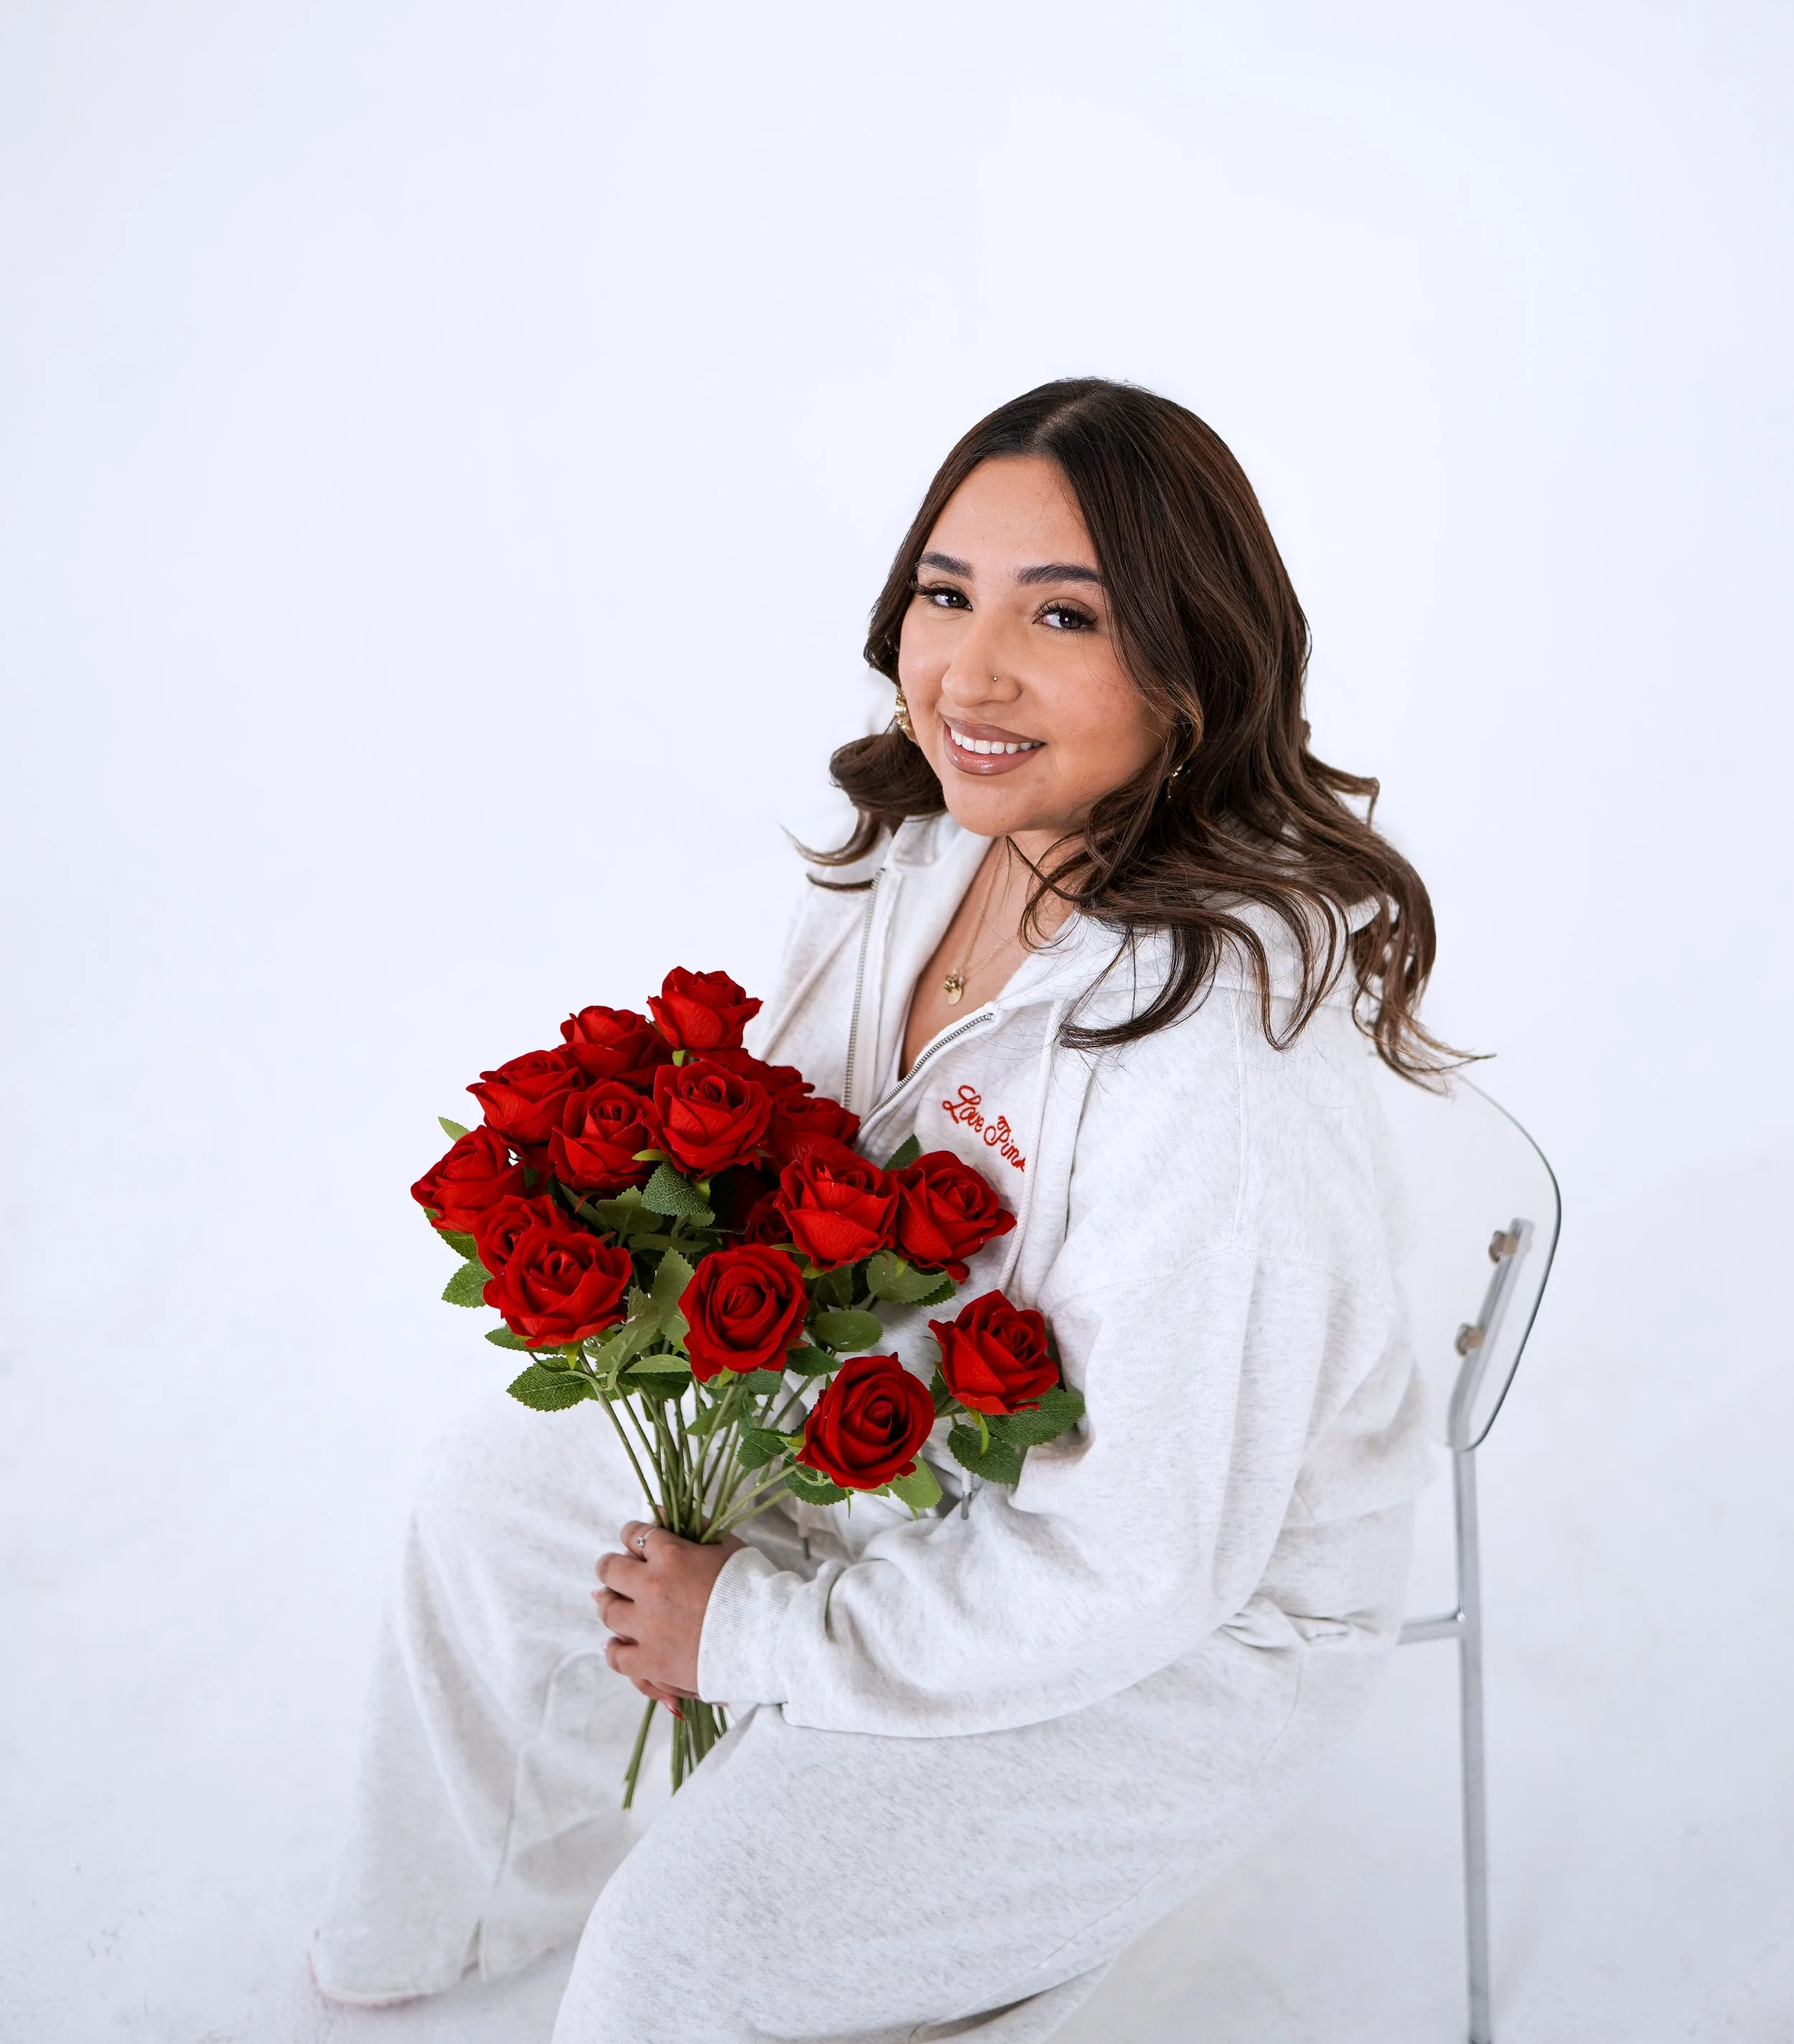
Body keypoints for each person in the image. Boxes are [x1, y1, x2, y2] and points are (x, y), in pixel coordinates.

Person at [310, 378, 1444, 2042]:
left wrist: (758, 1632)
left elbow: (1138, 1561)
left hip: (1169, 1629)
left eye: (1062, 614)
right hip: (896, 1436)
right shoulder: (921, 845)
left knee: (682, 1967)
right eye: (943, 590)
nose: (968, 675)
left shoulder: (1220, 1068)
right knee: (499, 1486)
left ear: (1192, 665)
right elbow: (806, 1163)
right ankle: (432, 1924)